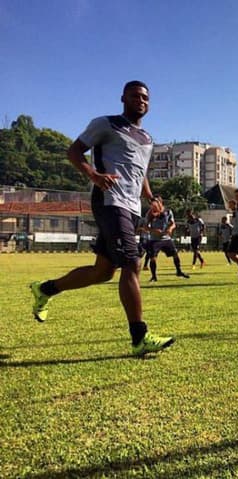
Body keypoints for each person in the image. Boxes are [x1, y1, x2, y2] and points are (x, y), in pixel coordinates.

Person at [29, 81, 174, 355]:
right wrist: (94, 175)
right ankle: (139, 338)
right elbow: (73, 151)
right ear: (123, 98)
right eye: (135, 96)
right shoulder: (106, 124)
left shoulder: (148, 139)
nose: (141, 101)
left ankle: (45, 289)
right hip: (109, 201)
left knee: (103, 272)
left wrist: (151, 198)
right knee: (132, 263)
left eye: (145, 97)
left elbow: (139, 172)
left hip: (131, 207)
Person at [145, 196, 190, 281]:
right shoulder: (150, 213)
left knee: (175, 254)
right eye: (152, 204)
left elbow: (173, 224)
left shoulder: (168, 212)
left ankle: (179, 271)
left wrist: (170, 228)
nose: (153, 205)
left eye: (156, 202)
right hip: (154, 240)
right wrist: (154, 230)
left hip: (166, 239)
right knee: (153, 258)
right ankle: (154, 276)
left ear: (160, 203)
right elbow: (145, 227)